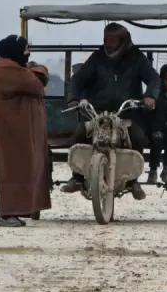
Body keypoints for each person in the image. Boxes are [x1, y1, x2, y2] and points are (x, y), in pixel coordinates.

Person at [61, 22, 160, 199]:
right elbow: (78, 79)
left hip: (126, 113)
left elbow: (154, 79)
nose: (108, 43)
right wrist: (73, 98)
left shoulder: (137, 58)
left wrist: (150, 95)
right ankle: (77, 177)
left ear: (124, 40)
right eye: (106, 39)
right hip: (97, 113)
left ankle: (133, 181)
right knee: (78, 136)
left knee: (137, 138)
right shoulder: (97, 57)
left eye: (113, 39)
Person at [0, 35, 51, 227]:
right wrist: (38, 69)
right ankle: (8, 213)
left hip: (16, 131)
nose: (27, 54)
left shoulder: (10, 67)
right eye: (24, 51)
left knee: (22, 169)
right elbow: (37, 84)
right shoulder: (6, 69)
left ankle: (13, 209)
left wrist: (33, 70)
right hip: (11, 132)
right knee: (13, 170)